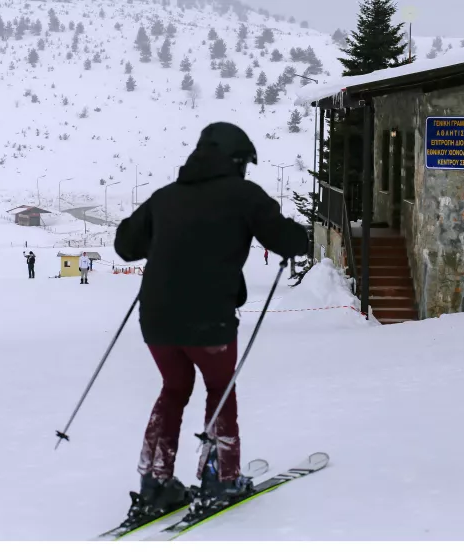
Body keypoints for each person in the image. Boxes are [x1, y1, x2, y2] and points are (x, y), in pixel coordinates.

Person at [114, 122, 309, 517]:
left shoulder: (165, 197)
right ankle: (219, 480)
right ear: (236, 161)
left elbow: (125, 245)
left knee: (173, 389)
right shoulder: (243, 195)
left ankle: (155, 484)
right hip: (209, 320)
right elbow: (288, 240)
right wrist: (301, 234)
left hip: (156, 320)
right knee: (220, 391)